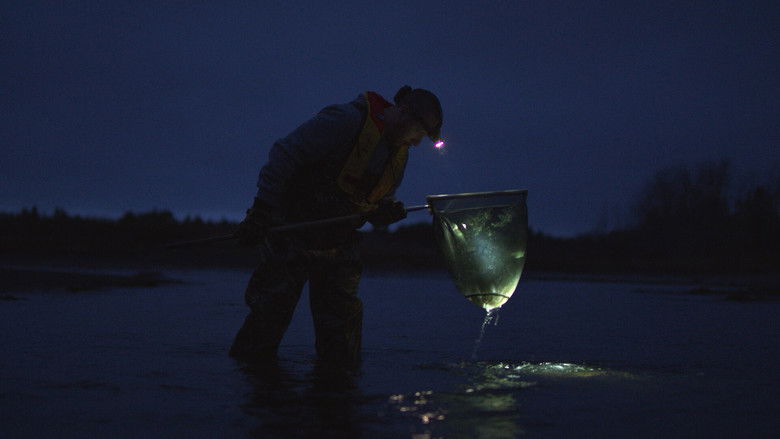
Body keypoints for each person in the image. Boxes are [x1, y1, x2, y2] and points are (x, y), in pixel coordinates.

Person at [229, 85, 443, 366]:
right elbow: (283, 154)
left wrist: (381, 214)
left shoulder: (399, 154)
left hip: (339, 244)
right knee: (267, 319)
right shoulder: (345, 120)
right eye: (419, 133)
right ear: (403, 112)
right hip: (292, 232)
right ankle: (252, 390)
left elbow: (372, 204)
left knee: (341, 340)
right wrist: (261, 212)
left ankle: (338, 397)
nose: (416, 143)